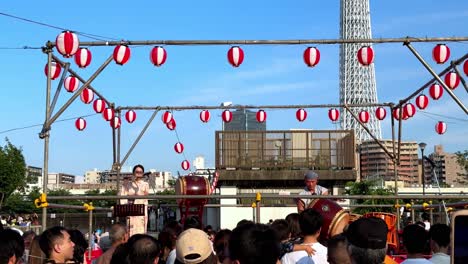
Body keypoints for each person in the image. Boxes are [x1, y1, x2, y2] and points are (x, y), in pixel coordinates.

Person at [119, 164, 150, 236]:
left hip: (141, 209)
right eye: (137, 172)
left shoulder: (145, 184)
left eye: (140, 172)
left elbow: (145, 196)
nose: (139, 173)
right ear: (133, 173)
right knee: (130, 230)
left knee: (141, 230)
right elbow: (122, 195)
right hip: (130, 209)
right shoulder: (127, 184)